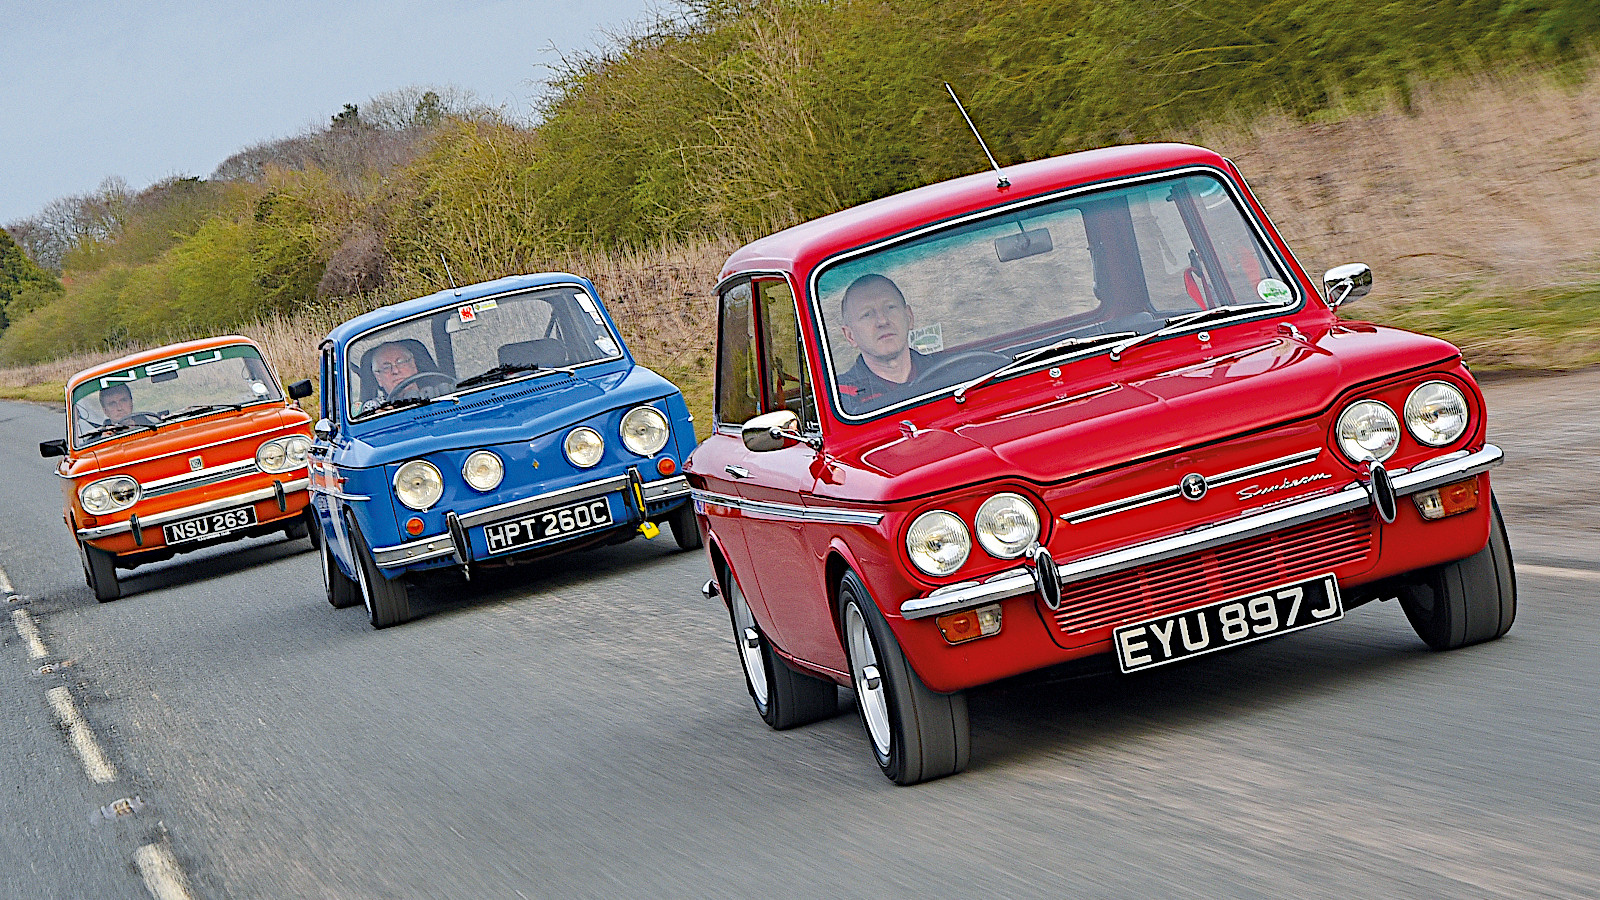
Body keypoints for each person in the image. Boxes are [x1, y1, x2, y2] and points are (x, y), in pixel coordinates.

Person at [835, 274, 935, 410]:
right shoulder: (841, 400)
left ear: (909, 317)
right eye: (867, 314)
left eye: (890, 307)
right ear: (850, 336)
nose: (882, 321)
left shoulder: (945, 372)